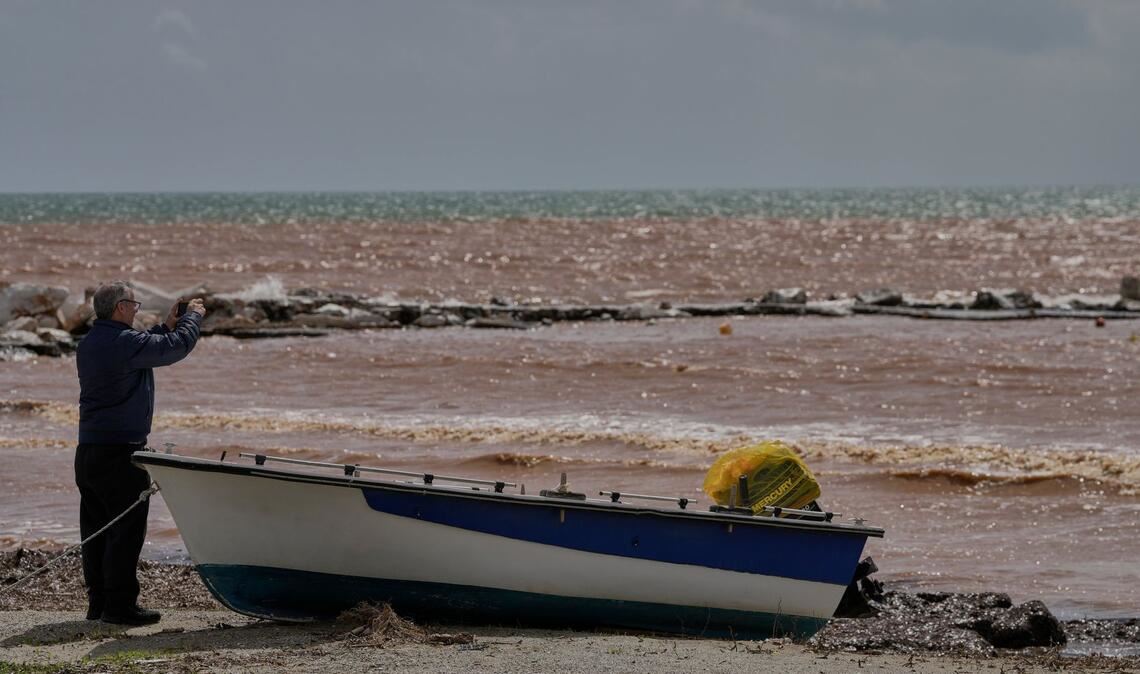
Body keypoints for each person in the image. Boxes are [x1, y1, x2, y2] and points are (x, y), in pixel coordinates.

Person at [75, 281, 206, 625]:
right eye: (133, 303)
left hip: (88, 452)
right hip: (120, 453)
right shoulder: (124, 344)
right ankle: (118, 608)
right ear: (120, 307)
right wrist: (192, 318)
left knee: (97, 531)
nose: (137, 308)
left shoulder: (90, 343)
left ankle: (99, 604)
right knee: (126, 531)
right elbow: (176, 348)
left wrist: (166, 325)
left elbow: (150, 345)